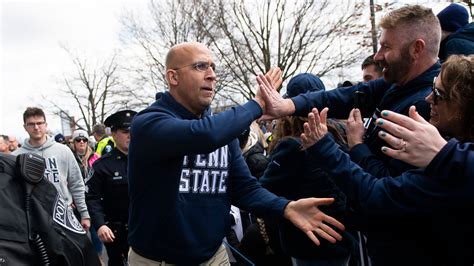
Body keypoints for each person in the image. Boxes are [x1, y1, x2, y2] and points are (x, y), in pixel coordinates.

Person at [127, 42, 345, 265]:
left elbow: (244, 187)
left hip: (214, 255)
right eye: (200, 66)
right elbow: (203, 136)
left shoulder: (220, 128)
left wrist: (285, 207)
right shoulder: (149, 123)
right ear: (173, 77)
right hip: (158, 260)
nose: (212, 75)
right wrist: (257, 104)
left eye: (213, 67)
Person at [299, 54, 474, 265]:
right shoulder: (454, 154)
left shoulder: (448, 170)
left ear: (463, 103)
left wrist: (326, 147)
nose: (428, 99)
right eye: (430, 87)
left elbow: (378, 194)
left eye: (438, 93)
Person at [263, 5, 441, 178]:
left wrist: (356, 145)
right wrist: (288, 105)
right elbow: (344, 97)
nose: (378, 56)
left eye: (387, 47)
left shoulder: (424, 106)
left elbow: (389, 188)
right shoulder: (396, 83)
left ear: (416, 49)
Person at [259, 74, 355, 266]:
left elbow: (262, 192)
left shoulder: (291, 147)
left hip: (310, 242)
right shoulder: (341, 138)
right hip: (342, 239)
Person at [0, 152, 100, 265]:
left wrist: (84, 214)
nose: (81, 142)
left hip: (57, 213)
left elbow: (77, 185)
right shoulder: (15, 161)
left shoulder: (14, 169)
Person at [13, 107, 90, 231]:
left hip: (64, 216)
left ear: (46, 125)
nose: (36, 127)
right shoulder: (16, 157)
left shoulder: (63, 151)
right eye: (31, 124)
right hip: (32, 219)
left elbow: (76, 184)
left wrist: (84, 214)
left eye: (39, 123)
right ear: (25, 127)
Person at [86, 110, 137, 266]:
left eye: (134, 131)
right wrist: (100, 224)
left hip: (143, 228)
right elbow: (92, 197)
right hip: (115, 232)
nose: (130, 135)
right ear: (113, 134)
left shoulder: (148, 160)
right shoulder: (102, 165)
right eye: (125, 131)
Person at [70, 129, 103, 259]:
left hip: (93, 201)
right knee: (77, 234)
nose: (82, 142)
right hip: (76, 203)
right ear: (74, 143)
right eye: (78, 140)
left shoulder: (96, 158)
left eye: (84, 140)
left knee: (96, 233)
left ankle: (98, 258)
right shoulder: (70, 158)